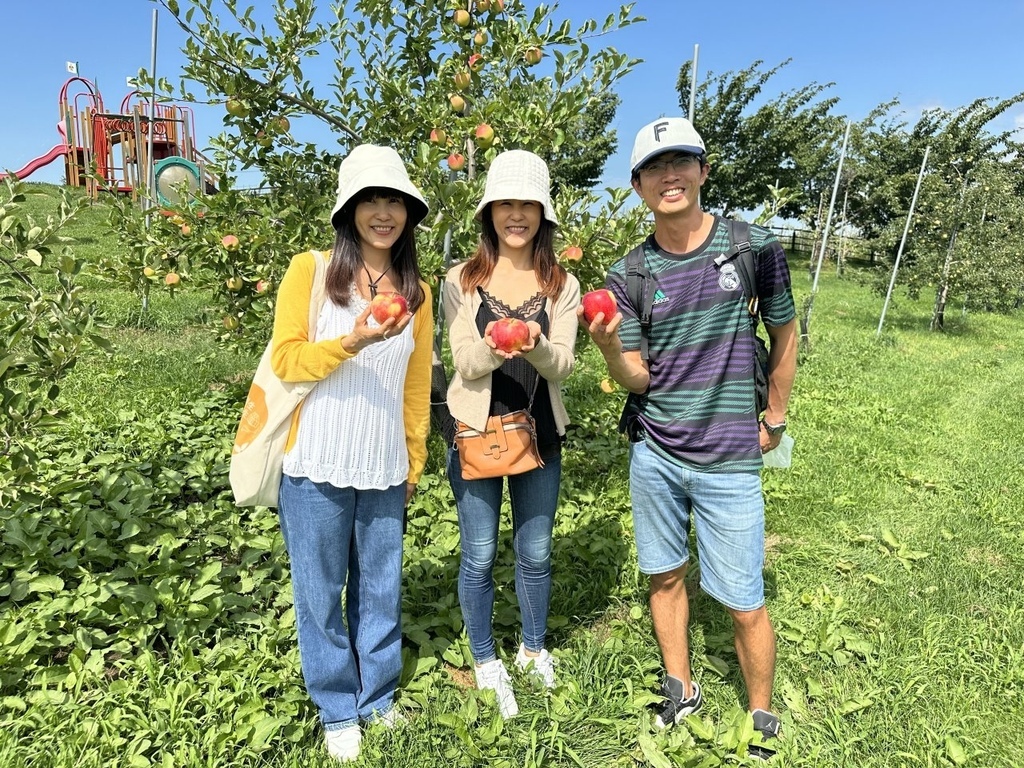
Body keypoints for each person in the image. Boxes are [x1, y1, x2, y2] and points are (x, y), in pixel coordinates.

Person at [578, 118, 797, 759]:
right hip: (656, 452)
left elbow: (784, 336)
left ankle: (759, 711)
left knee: (744, 597)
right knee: (665, 576)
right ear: (640, 187)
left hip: (731, 453)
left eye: (682, 162)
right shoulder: (631, 273)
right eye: (655, 168)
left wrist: (775, 417)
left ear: (702, 172)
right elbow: (636, 377)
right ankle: (682, 689)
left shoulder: (751, 247)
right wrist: (609, 349)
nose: (669, 176)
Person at [271, 144, 433, 763]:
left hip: (385, 461)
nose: (383, 212)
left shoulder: (415, 291)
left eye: (394, 200)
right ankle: (338, 704)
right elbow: (287, 359)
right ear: (349, 211)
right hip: (316, 458)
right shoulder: (310, 272)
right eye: (371, 200)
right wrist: (352, 339)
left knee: (381, 585)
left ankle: (378, 696)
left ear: (408, 213)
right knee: (320, 590)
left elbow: (416, 388)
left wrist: (413, 462)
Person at [443, 149, 581, 718]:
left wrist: (537, 344)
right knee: (477, 555)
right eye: (506, 204)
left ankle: (532, 648)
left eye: (528, 205)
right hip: (476, 430)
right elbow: (462, 362)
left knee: (537, 551)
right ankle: (484, 658)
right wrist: (499, 344)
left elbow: (567, 365)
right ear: (489, 212)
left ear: (542, 214)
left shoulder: (561, 284)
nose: (516, 215)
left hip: (540, 434)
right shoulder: (461, 280)